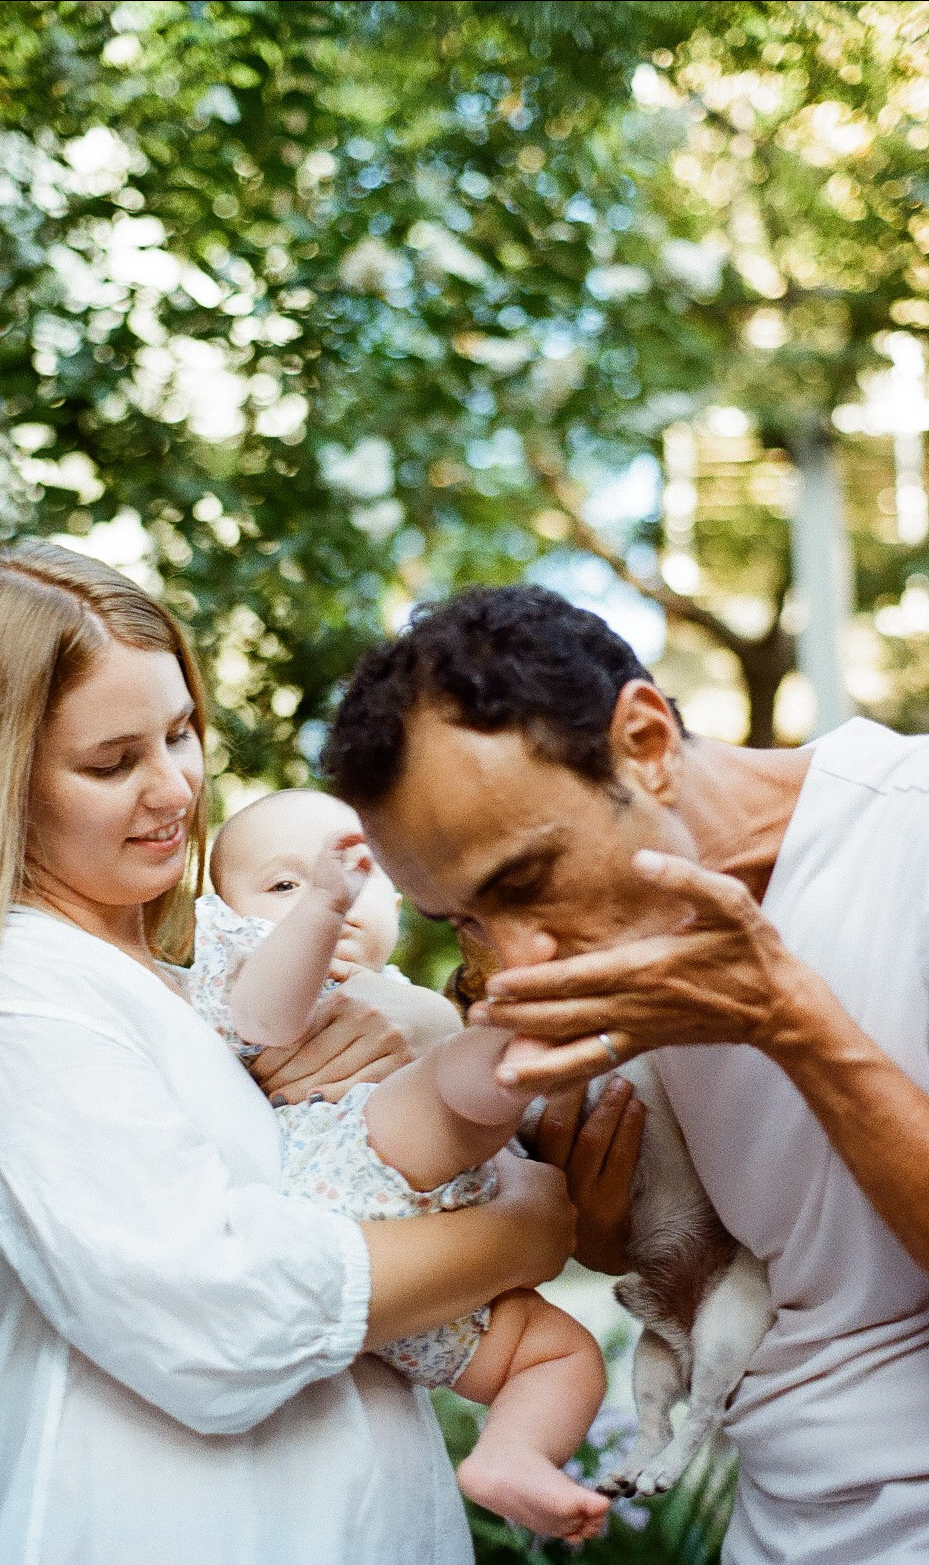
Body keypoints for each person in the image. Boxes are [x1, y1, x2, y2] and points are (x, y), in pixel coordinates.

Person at [0, 546, 577, 1565]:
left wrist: (423, 1032)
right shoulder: (14, 992)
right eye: (111, 762)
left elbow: (368, 1145)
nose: (173, 785)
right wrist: (524, 1230)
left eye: (179, 732)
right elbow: (213, 1312)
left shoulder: (190, 963)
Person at [322, 582, 929, 1565]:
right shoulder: (606, 954)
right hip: (781, 1528)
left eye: (522, 881)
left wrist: (793, 1022)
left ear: (644, 740)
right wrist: (610, 1231)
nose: (512, 963)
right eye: (463, 920)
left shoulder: (907, 834)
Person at [192, 788, 610, 1544]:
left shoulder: (415, 1005)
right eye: (285, 883)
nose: (337, 890)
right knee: (455, 1083)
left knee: (563, 1354)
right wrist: (319, 909)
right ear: (223, 915)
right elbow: (265, 1020)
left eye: (357, 872)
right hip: (346, 1185)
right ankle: (537, 1038)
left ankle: (511, 1457)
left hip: (425, 1299)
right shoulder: (252, 978)